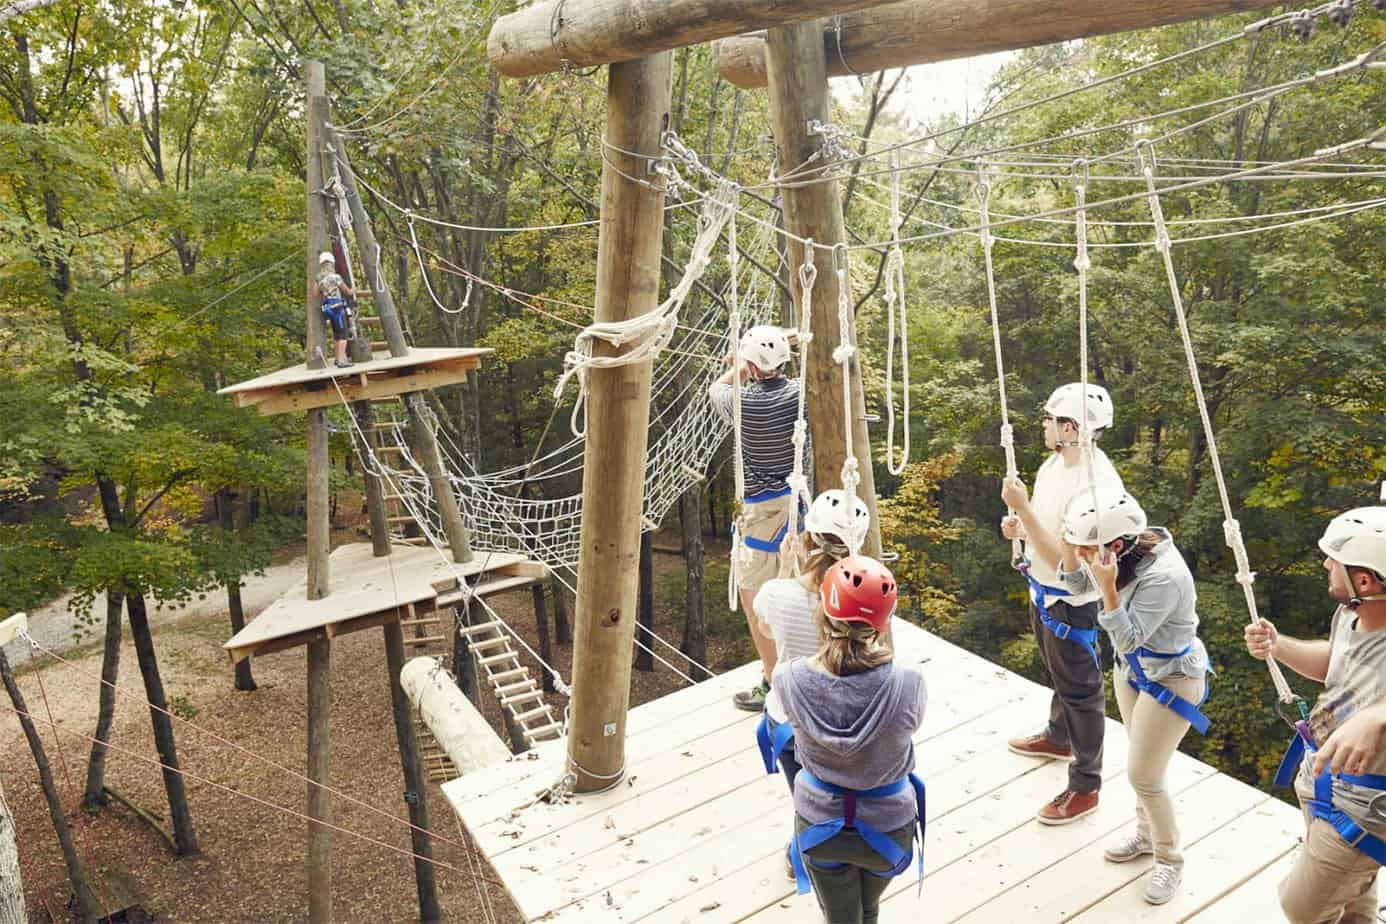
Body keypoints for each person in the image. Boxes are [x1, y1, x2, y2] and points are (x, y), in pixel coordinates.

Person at [1058, 487, 1211, 905]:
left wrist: (1106, 586)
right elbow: (1075, 586)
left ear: (1117, 545)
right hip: (1135, 673)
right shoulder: (1118, 555)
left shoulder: (1165, 576)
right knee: (1143, 767)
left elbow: (1128, 637)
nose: (1086, 556)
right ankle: (1146, 835)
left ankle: (1170, 858)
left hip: (1172, 679)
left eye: (1089, 549)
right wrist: (1071, 548)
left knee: (1144, 775)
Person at [1245, 503, 1386, 924]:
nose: (1326, 564)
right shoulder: (1351, 613)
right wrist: (1280, 646)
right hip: (1323, 775)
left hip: (1364, 805)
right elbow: (1335, 662)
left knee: (1300, 906)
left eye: (1335, 561)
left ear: (1363, 578)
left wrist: (1376, 716)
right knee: (1353, 903)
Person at [773, 555, 926, 924]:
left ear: (822, 614)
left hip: (819, 827)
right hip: (889, 830)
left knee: (842, 917)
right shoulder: (908, 684)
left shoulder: (788, 679)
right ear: (884, 621)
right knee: (868, 908)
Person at [999, 382, 1123, 824]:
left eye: (1051, 420)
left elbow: (1065, 561)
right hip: (1045, 586)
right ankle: (1058, 735)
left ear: (1070, 428)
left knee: (1080, 688)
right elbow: (1045, 531)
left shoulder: (1095, 484)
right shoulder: (1056, 464)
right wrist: (1021, 523)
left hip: (1072, 598)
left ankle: (1086, 784)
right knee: (1059, 670)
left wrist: (1023, 512)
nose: (1045, 426)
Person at [755, 489, 871, 878]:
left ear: (806, 538)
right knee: (834, 790)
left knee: (806, 794)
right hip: (845, 717)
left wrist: (788, 570)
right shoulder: (864, 602)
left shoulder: (775, 594)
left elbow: (768, 633)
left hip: (792, 720)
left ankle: (806, 850)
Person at [709, 324, 809, 712]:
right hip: (799, 507)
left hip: (762, 515)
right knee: (803, 592)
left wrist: (738, 366)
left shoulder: (742, 403)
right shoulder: (799, 397)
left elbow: (717, 387)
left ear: (753, 366)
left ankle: (774, 682)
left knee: (757, 603)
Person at [314, 250, 355, 368]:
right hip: (337, 307)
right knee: (343, 335)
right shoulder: (336, 277)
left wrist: (325, 290)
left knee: (337, 334)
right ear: (332, 264)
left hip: (328, 308)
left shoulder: (318, 278)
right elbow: (346, 291)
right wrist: (353, 290)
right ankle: (341, 360)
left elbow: (315, 294)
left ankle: (338, 359)